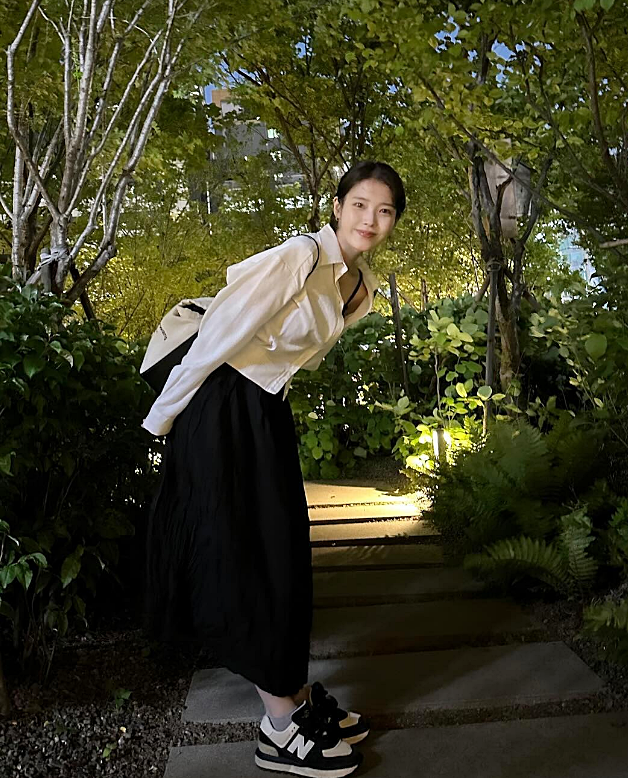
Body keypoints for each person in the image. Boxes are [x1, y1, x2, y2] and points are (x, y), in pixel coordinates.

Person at [141, 160, 406, 777]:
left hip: (262, 409)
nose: (371, 219)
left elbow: (287, 358)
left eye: (385, 210)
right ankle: (280, 724)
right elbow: (219, 334)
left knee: (282, 549)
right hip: (219, 401)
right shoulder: (299, 257)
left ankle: (297, 697)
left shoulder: (359, 286)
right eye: (360, 204)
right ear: (336, 206)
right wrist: (164, 418)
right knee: (248, 554)